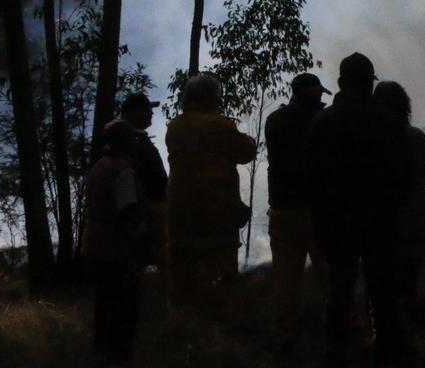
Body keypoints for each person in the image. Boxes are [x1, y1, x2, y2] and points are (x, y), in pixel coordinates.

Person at [310, 53, 412, 366]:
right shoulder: (388, 122)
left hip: (336, 221)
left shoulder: (322, 122)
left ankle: (336, 349)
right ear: (369, 84)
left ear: (340, 83)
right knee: (381, 286)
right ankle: (386, 346)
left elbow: (313, 176)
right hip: (379, 219)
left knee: (339, 287)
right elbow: (402, 174)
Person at [165, 73, 256, 310]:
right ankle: (218, 325)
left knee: (183, 274)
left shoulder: (175, 126)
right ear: (214, 97)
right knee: (221, 274)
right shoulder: (221, 125)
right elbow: (246, 152)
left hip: (180, 209)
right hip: (217, 211)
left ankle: (181, 324)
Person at [264, 73, 331, 353]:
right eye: (319, 93)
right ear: (312, 93)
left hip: (283, 207)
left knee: (285, 277)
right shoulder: (324, 122)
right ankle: (341, 326)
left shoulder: (275, 120)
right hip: (319, 209)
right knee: (330, 272)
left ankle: (284, 334)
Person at [82, 120, 146, 365]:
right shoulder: (124, 171)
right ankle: (119, 358)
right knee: (124, 309)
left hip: (95, 246)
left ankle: (100, 352)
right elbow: (128, 212)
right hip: (116, 250)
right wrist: (140, 243)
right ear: (123, 143)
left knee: (103, 304)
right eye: (131, 138)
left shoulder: (99, 166)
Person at [372, 81, 425, 309]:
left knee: (383, 275)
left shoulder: (369, 138)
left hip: (382, 215)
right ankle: (407, 320)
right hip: (415, 212)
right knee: (409, 272)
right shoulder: (414, 136)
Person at [112, 92, 168, 268]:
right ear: (133, 113)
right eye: (147, 110)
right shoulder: (128, 142)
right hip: (146, 215)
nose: (151, 113)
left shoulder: (136, 139)